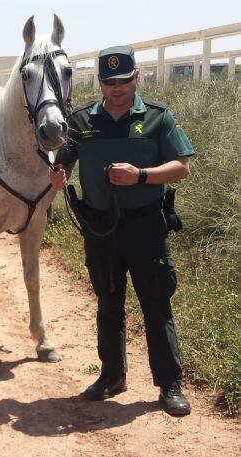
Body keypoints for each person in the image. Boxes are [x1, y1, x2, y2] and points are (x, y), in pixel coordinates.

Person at [51, 46, 195, 416]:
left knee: (156, 305)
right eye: (108, 81)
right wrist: (60, 174)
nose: (116, 88)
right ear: (100, 82)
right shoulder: (81, 120)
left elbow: (181, 166)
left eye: (123, 80)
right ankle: (112, 376)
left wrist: (141, 176)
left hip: (146, 224)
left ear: (137, 77)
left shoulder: (157, 118)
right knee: (108, 303)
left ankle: (169, 384)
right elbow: (65, 157)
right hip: (100, 227)